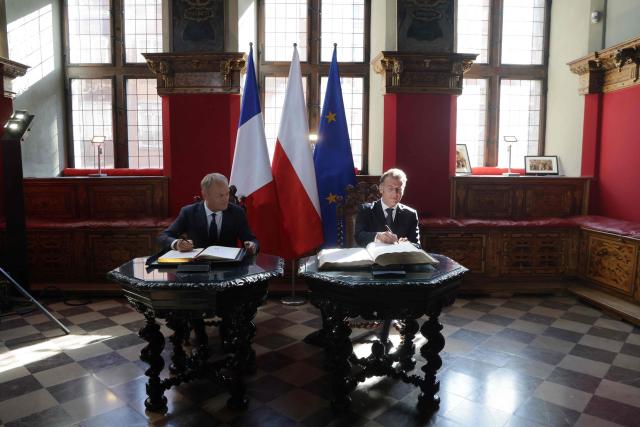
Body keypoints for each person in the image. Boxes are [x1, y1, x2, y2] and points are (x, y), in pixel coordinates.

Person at [158, 172, 258, 254]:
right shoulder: (189, 212)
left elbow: (251, 240)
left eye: (227, 194)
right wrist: (176, 244)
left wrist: (252, 246)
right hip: (197, 268)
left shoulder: (237, 212)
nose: (226, 199)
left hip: (229, 268)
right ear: (205, 195)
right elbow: (163, 236)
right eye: (220, 195)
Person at [355, 168, 420, 248]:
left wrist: (407, 245)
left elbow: (417, 245)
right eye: (390, 188)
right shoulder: (366, 210)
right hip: (373, 257)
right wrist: (378, 236)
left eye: (399, 189)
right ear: (381, 189)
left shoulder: (410, 214)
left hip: (400, 259)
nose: (395, 194)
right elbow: (359, 236)